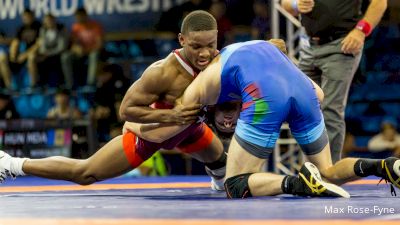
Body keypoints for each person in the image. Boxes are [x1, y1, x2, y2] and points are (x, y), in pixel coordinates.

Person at [131, 40, 400, 198]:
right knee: (328, 172)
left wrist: (134, 125)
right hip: (304, 95)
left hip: (264, 100)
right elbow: (318, 95)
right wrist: (287, 113)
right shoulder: (278, 58)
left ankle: (298, 184)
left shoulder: (208, 76)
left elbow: (166, 131)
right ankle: (383, 167)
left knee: (234, 184)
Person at [0, 11, 226, 191]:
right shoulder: (162, 73)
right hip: (149, 135)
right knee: (85, 173)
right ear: (182, 40)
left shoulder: (221, 59)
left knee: (222, 165)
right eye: (196, 46)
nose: (205, 54)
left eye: (210, 44)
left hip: (190, 129)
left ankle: (218, 181)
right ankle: (12, 164)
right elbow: (126, 111)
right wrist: (170, 115)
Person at [281, 0, 388, 163]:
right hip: (308, 45)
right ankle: (310, 171)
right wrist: (296, 5)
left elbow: (380, 2)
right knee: (303, 109)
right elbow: (285, 4)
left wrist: (361, 30)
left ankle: (327, 174)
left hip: (341, 45)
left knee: (330, 109)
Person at [61, 8, 103, 88]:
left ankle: (90, 82)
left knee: (94, 55)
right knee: (65, 57)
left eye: (80, 17)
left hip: (92, 51)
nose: (78, 19)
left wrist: (87, 50)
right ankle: (69, 84)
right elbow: (73, 44)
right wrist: (76, 49)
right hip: (81, 53)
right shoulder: (75, 27)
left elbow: (99, 44)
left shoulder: (95, 26)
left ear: (85, 16)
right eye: (76, 17)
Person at [0, 9, 41, 89]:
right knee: (2, 59)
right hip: (21, 55)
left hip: (35, 54)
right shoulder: (21, 28)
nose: (26, 18)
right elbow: (15, 42)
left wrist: (24, 55)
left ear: (32, 16)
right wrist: (13, 56)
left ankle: (33, 85)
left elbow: (39, 44)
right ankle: (10, 87)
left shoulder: (39, 26)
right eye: (24, 17)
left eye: (28, 16)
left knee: (31, 57)